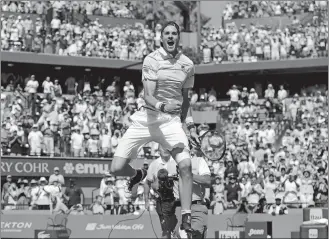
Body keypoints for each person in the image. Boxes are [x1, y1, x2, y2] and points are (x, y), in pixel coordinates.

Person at [110, 21, 198, 236]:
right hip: (147, 118)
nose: (170, 36)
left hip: (170, 122)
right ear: (161, 38)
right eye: (166, 33)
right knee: (116, 168)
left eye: (174, 33)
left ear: (178, 38)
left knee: (185, 165)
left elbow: (186, 101)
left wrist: (190, 126)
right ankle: (138, 173)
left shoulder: (188, 65)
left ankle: (186, 215)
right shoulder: (151, 59)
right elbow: (148, 95)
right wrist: (162, 105)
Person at [144, 146, 179, 238]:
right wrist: (146, 200)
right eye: (163, 148)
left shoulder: (177, 162)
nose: (165, 149)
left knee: (178, 228)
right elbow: (147, 183)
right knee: (165, 230)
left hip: (177, 201)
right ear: (158, 151)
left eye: (166, 147)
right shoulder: (154, 164)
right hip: (162, 201)